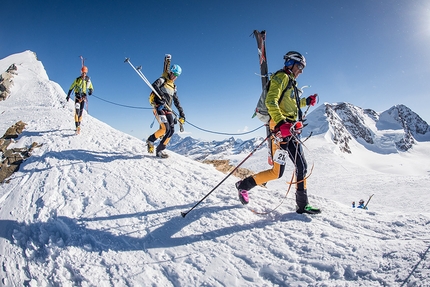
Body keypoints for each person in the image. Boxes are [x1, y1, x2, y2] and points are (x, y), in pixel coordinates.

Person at [235, 51, 320, 214]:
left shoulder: (291, 82)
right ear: (291, 64)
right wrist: (281, 123)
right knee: (279, 171)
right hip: (281, 129)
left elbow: (291, 104)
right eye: (300, 66)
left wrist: (306, 101)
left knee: (298, 166)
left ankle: (302, 205)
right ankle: (243, 186)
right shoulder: (281, 77)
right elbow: (271, 101)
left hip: (291, 129)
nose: (301, 71)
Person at [146, 64, 185, 158]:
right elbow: (154, 85)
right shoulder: (162, 80)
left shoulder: (173, 87)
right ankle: (150, 140)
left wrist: (182, 114)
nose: (174, 77)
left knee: (171, 130)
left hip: (167, 109)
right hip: (158, 106)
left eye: (177, 76)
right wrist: (162, 97)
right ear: (170, 72)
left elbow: (176, 101)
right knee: (164, 128)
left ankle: (160, 150)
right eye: (174, 74)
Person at [66, 66, 94, 134]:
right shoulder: (77, 80)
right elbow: (71, 87)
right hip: (78, 97)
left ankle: (78, 126)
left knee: (81, 113)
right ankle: (77, 127)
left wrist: (91, 91)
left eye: (85, 73)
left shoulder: (87, 80)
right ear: (81, 72)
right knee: (77, 112)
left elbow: (91, 87)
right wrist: (68, 95)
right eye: (83, 72)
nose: (84, 74)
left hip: (83, 98)